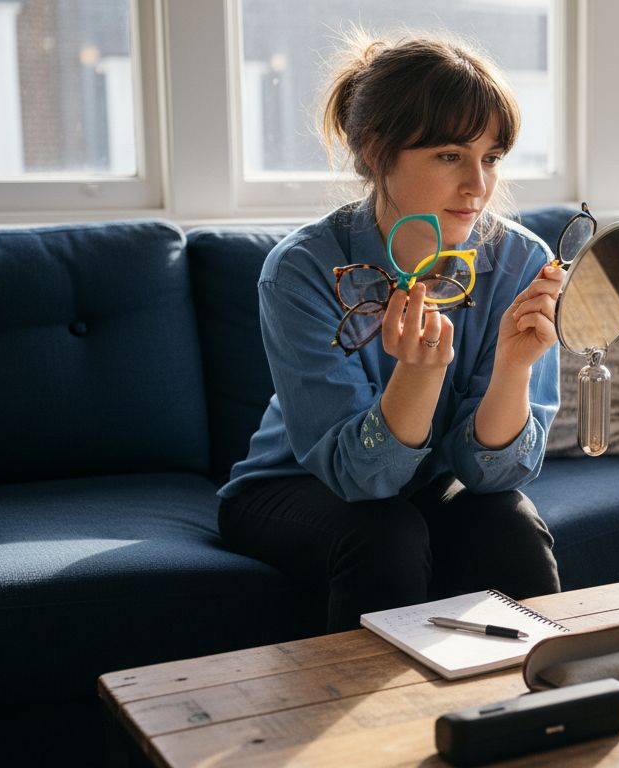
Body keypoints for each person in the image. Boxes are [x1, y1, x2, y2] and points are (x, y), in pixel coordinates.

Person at [217, 32, 564, 633]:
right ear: (378, 152)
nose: (478, 186)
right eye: (450, 155)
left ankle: (541, 703)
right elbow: (363, 478)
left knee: (512, 526)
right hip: (290, 486)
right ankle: (374, 726)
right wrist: (420, 372)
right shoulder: (302, 269)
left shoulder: (519, 262)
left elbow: (494, 474)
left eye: (491, 157)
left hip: (428, 487)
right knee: (387, 534)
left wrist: (513, 368)